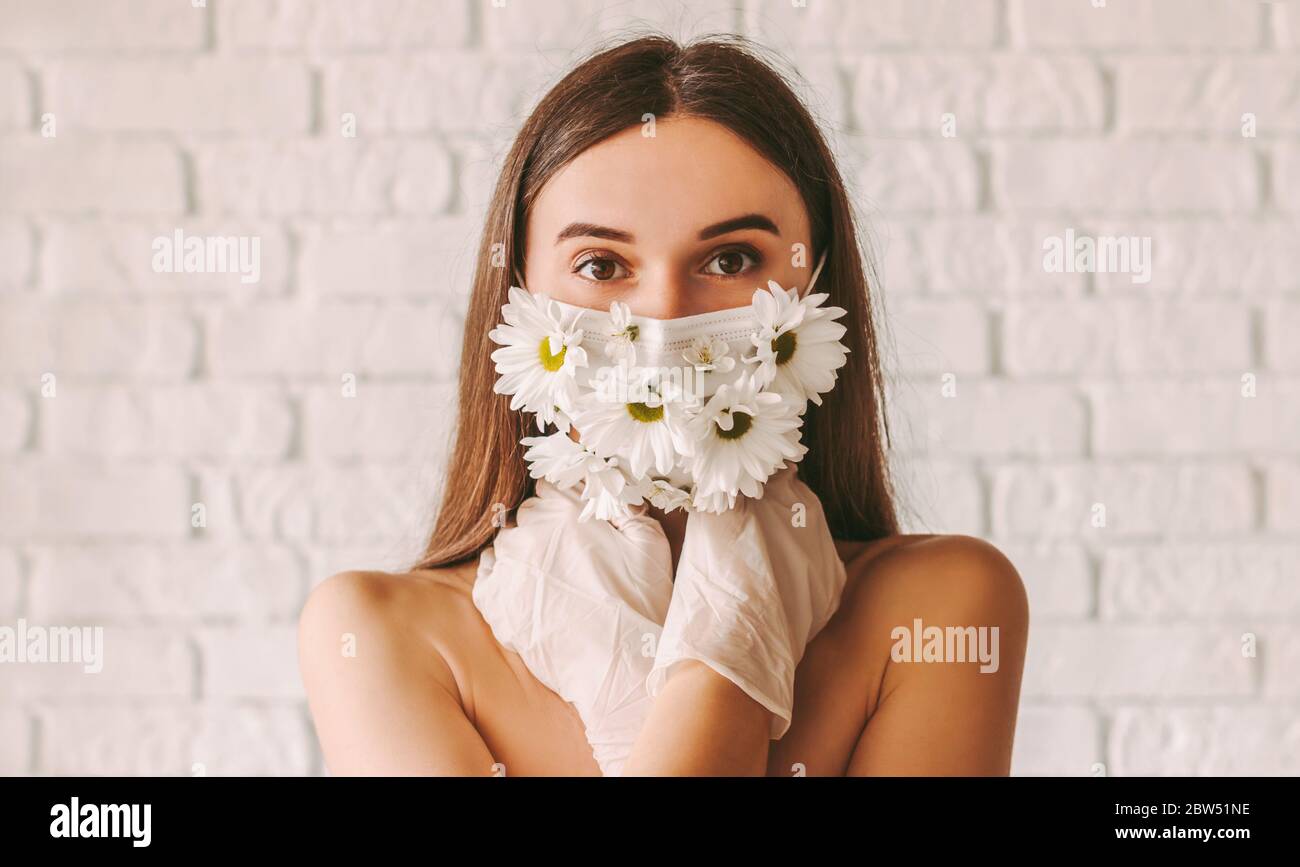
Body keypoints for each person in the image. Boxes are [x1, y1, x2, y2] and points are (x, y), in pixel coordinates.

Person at [298, 34, 1029, 776]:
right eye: (602, 265)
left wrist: (733, 625)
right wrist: (722, 662)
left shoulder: (939, 608)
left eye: (731, 260)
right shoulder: (383, 635)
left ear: (816, 291)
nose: (665, 319)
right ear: (517, 298)